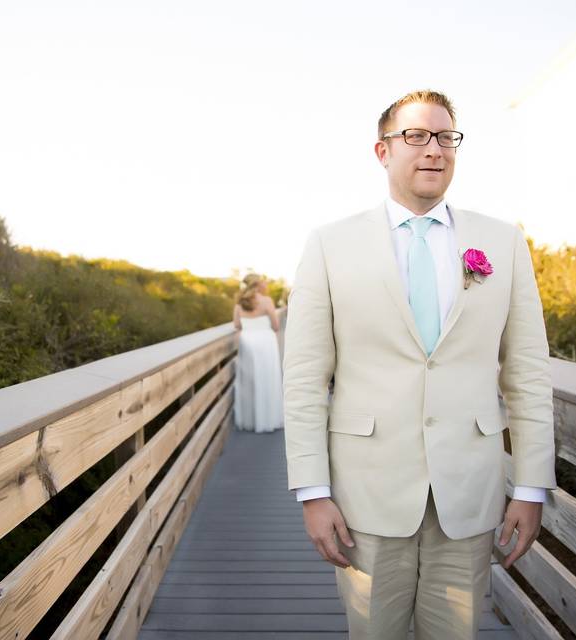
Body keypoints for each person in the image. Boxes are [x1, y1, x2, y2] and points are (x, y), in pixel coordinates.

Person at [282, 90, 557, 639]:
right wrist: (313, 491)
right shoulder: (329, 244)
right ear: (382, 152)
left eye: (445, 137)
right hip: (367, 491)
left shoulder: (502, 243)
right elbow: (305, 380)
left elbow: (527, 373)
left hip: (469, 491)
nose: (433, 149)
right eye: (415, 136)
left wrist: (530, 487)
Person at [232, 273, 284, 433]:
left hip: (247, 342)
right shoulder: (266, 301)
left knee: (249, 381)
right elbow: (276, 326)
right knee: (268, 378)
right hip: (265, 342)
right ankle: (268, 419)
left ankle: (251, 420)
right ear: (257, 285)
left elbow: (236, 325)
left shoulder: (239, 303)